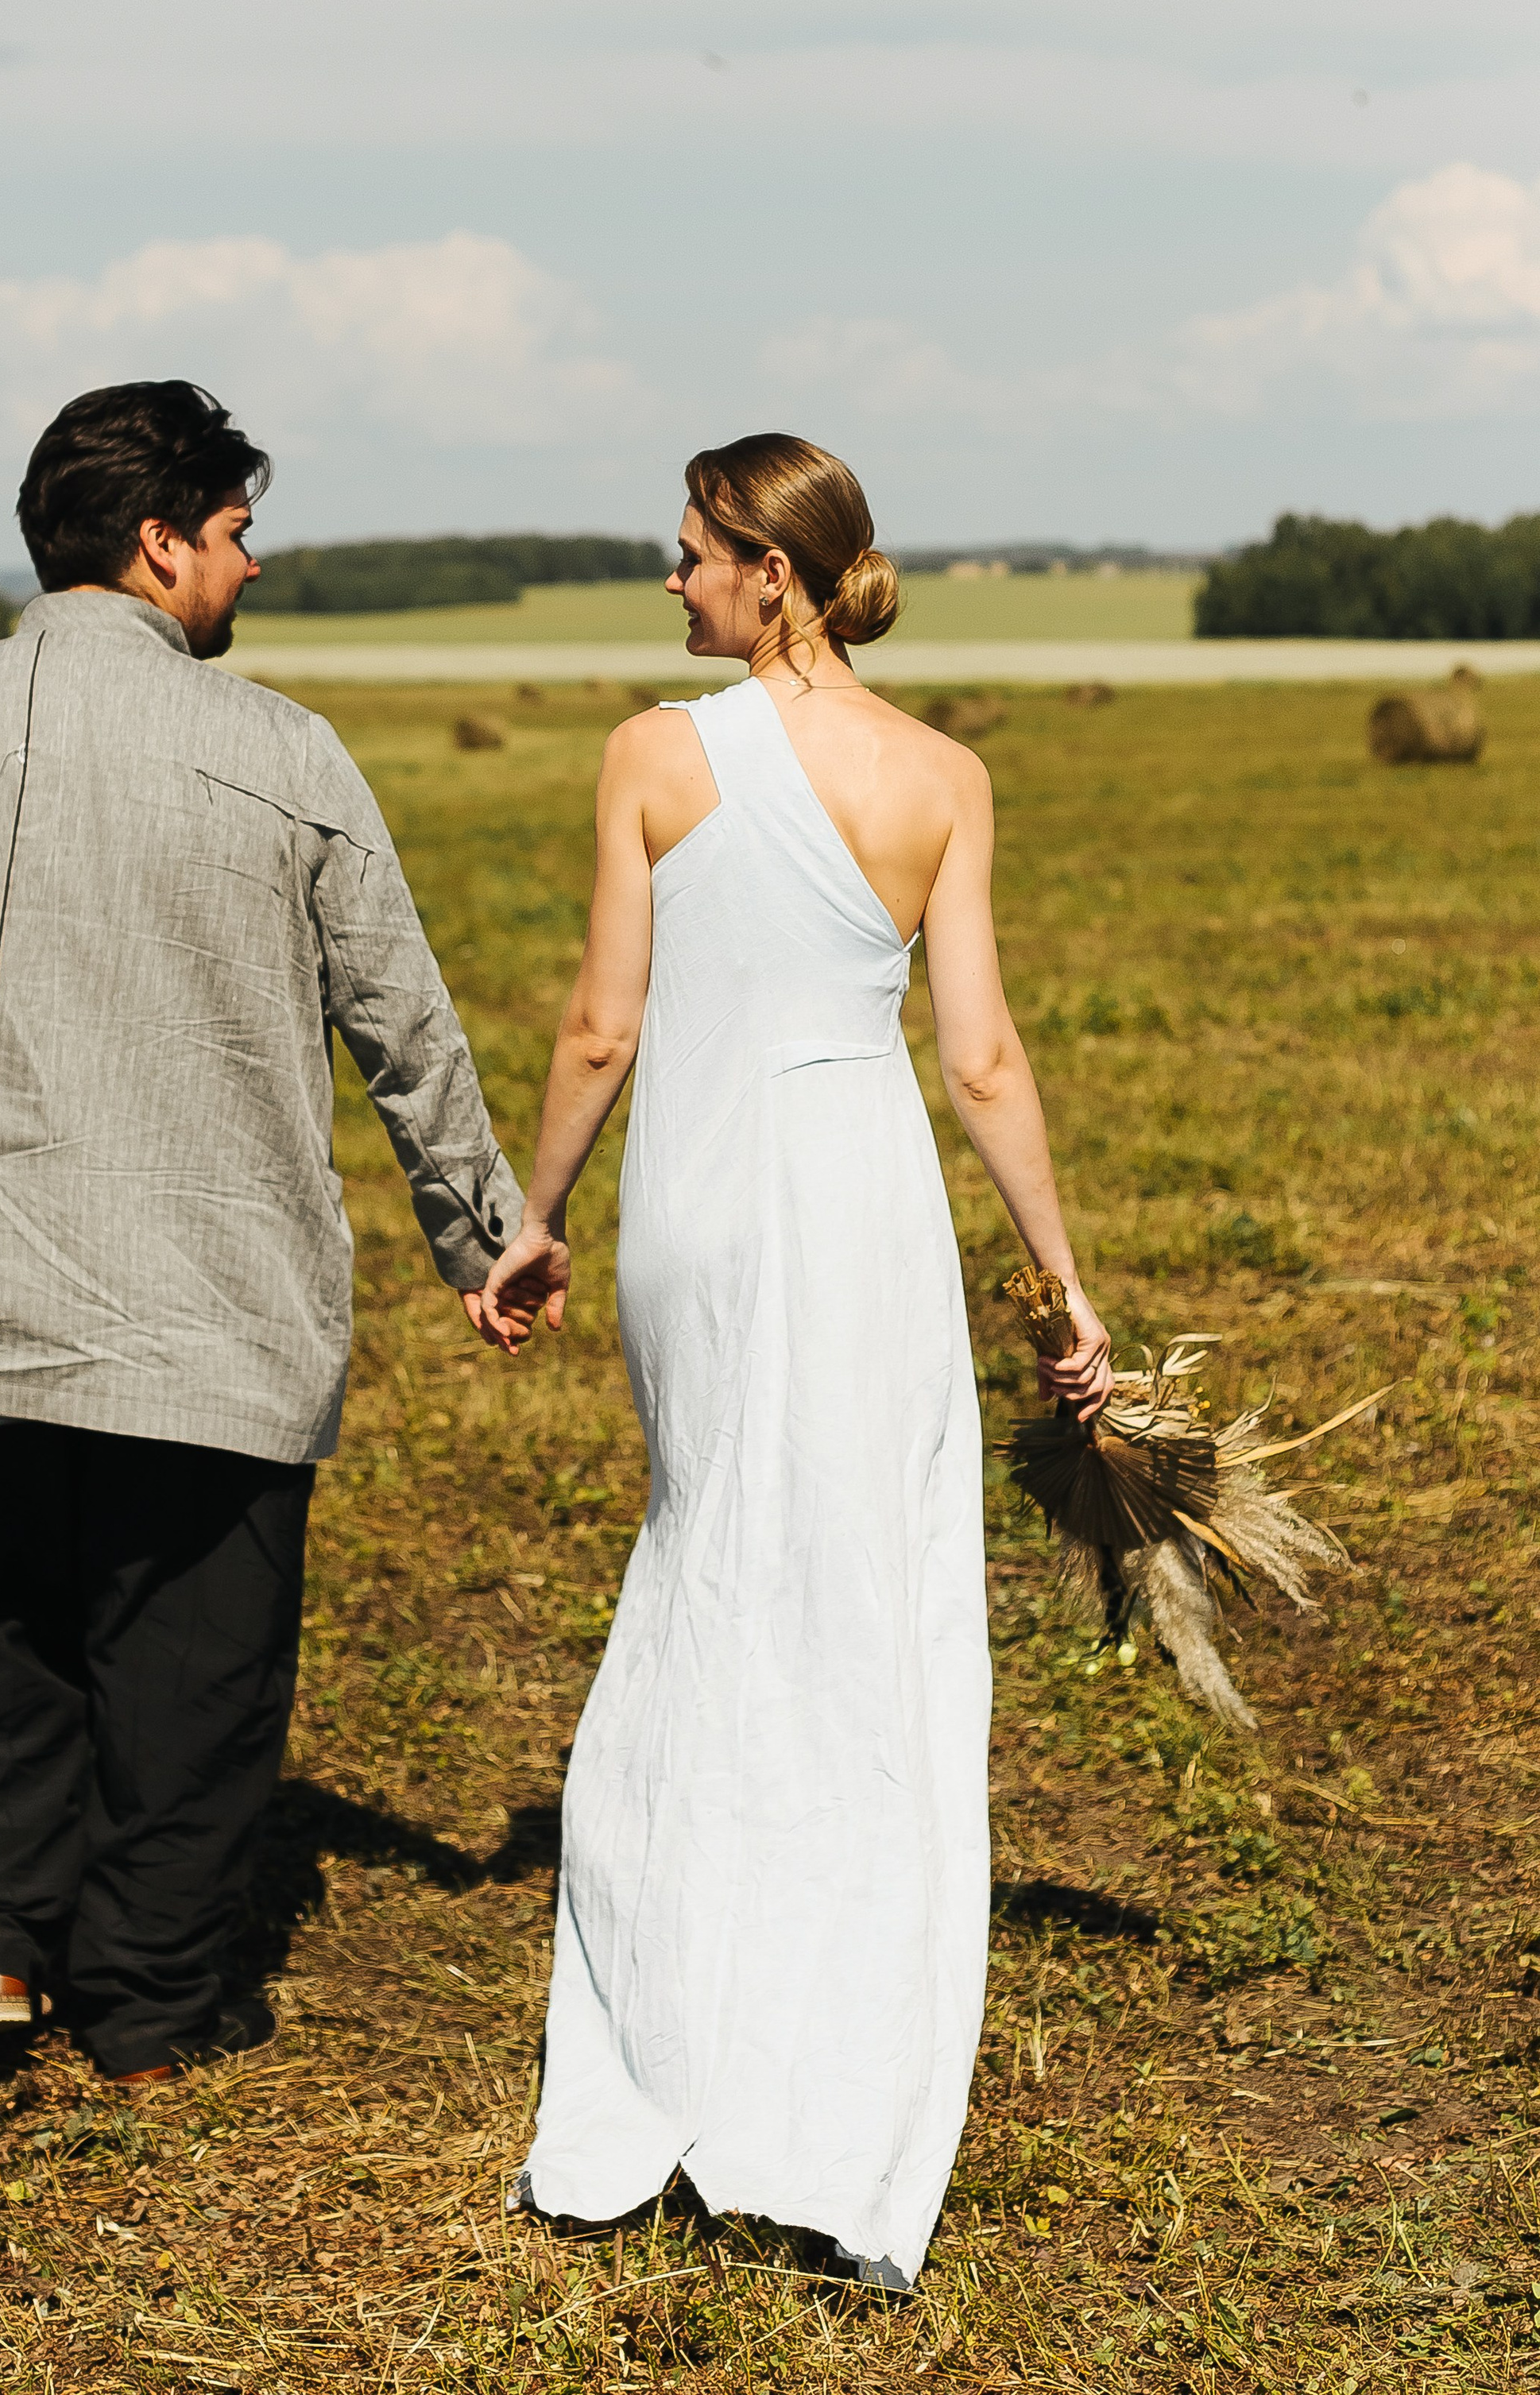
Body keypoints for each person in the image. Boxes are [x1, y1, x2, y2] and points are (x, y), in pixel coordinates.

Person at [0, 380, 524, 2081]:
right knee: (188, 1665)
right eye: (238, 534)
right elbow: (398, 1017)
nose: (252, 570)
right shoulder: (284, 754)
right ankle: (158, 1999)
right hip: (205, 1307)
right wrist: (480, 1235)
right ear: (161, 537)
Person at [474, 432, 1112, 2286]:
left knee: (708, 1562)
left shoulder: (653, 760)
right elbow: (977, 1060)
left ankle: (672, 2019)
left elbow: (605, 1022)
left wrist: (535, 1216)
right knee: (861, 1592)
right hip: (861, 1203)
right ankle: (827, 2044)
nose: (665, 584)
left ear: (770, 572)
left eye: (686, 557)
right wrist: (1057, 1275)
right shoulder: (941, 777)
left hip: (699, 1200)